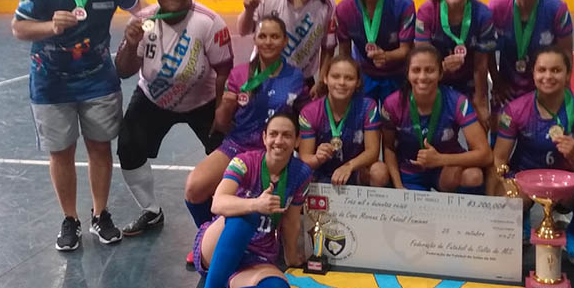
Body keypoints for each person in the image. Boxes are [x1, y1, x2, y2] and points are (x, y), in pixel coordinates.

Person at [11, 0, 139, 251]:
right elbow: (19, 29)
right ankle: (70, 219)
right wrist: (49, 27)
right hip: (50, 81)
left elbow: (140, 11)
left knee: (100, 147)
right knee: (61, 152)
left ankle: (101, 214)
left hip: (98, 78)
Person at [149, 112, 310, 288]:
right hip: (218, 242)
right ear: (264, 138)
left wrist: (293, 257)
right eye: (273, 134)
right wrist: (255, 203)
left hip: (255, 257)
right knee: (246, 216)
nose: (279, 140)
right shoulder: (244, 161)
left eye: (286, 135)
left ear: (297, 140)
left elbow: (292, 220)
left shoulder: (301, 173)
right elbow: (218, 203)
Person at [114, 0, 233, 236]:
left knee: (228, 151)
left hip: (202, 99)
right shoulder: (145, 20)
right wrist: (131, 44)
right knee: (128, 148)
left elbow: (224, 69)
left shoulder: (209, 21)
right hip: (152, 97)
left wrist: (220, 111)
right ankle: (151, 210)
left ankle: (225, 208)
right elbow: (123, 71)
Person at [183, 15, 306, 237]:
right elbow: (221, 123)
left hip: (274, 150)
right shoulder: (239, 74)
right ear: (255, 40)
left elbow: (304, 120)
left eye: (275, 36)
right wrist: (226, 106)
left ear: (285, 41)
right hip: (237, 145)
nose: (268, 42)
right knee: (194, 188)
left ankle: (265, 240)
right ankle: (208, 236)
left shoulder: (295, 77)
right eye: (263, 36)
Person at [490, 47, 574, 260]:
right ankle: (521, 219)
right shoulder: (515, 110)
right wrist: (508, 188)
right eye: (542, 70)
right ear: (533, 73)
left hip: (566, 185)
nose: (548, 76)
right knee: (507, 198)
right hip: (525, 180)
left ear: (568, 74)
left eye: (556, 70)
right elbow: (499, 157)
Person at [378, 45, 492, 192]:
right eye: (416, 70)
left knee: (473, 176)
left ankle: (456, 213)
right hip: (409, 170)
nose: (422, 77)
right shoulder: (392, 104)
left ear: (440, 74)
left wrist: (440, 159)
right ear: (407, 74)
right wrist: (399, 187)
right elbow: (388, 148)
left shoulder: (457, 102)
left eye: (429, 70)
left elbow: (485, 154)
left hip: (445, 168)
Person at [237, 0, 336, 97]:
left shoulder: (327, 2)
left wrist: (321, 82)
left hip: (302, 80)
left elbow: (328, 48)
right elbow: (243, 30)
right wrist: (248, 10)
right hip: (263, 76)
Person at [488, 0, 573, 126]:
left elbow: (567, 56)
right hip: (507, 90)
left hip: (545, 87)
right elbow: (486, 51)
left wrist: (563, 95)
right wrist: (496, 81)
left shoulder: (556, 10)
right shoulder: (496, 8)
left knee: (551, 139)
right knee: (499, 139)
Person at [415, 0, 495, 124]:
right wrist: (442, 67)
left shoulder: (483, 15)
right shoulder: (427, 12)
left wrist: (480, 101)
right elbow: (421, 60)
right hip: (434, 79)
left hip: (469, 82)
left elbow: (481, 65)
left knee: (481, 126)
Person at [335, 0, 415, 102]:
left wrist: (387, 56)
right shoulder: (344, 9)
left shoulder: (403, 5)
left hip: (397, 73)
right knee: (363, 120)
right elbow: (344, 53)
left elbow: (406, 49)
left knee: (393, 122)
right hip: (363, 74)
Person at [298, 57, 382, 185]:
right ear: (325, 79)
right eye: (335, 77)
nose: (342, 82)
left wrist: (349, 166)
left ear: (358, 82)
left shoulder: (368, 107)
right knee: (300, 172)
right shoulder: (309, 112)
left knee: (379, 172)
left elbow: (373, 152)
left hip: (354, 170)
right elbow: (304, 158)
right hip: (321, 172)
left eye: (349, 78)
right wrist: (317, 158)